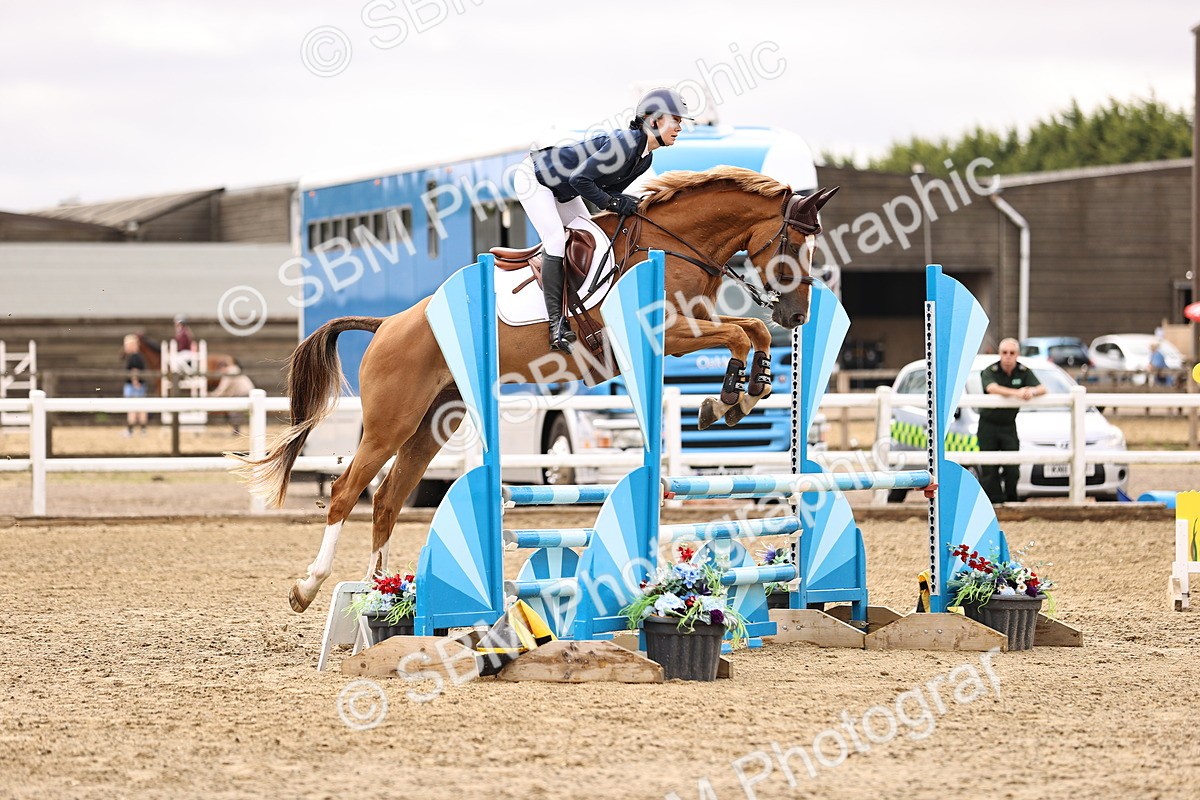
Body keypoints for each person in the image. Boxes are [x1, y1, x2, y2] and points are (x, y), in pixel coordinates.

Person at [517, 87, 693, 353]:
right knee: (555, 240)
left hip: (565, 189)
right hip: (536, 179)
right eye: (675, 120)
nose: (679, 127)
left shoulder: (644, 158)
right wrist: (612, 203)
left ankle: (588, 308)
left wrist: (624, 202)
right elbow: (581, 180)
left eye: (680, 122)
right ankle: (556, 324)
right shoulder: (625, 143)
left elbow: (605, 188)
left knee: (594, 240)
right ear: (654, 120)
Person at [978, 338, 1045, 503]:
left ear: (1018, 355)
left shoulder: (1023, 371)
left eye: (1012, 353)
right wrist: (1018, 393)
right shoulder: (990, 370)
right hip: (988, 425)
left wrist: (1032, 391)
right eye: (1004, 353)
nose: (1008, 357)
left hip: (1008, 425)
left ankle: (1012, 501)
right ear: (999, 354)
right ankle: (993, 503)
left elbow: (1042, 388)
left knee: (1013, 467)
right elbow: (991, 388)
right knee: (989, 469)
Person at [210, 361, 256, 434]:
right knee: (249, 412)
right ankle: (251, 428)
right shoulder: (234, 372)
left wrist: (212, 395)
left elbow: (223, 388)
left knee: (235, 411)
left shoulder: (229, 374)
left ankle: (236, 430)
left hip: (242, 393)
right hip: (248, 392)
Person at [122, 334, 149, 436]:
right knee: (141, 408)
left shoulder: (134, 357)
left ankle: (130, 430)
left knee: (132, 409)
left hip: (133, 386)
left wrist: (134, 381)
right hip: (140, 385)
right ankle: (143, 430)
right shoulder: (139, 356)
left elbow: (135, 370)